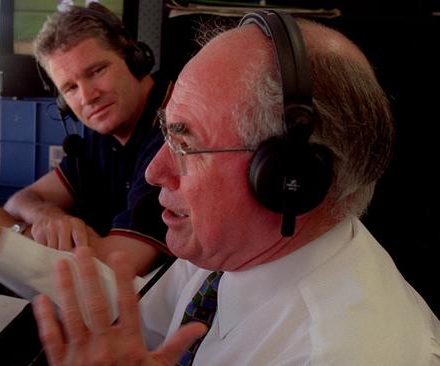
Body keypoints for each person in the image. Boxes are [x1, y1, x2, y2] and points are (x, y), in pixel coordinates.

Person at [29, 11, 440, 365]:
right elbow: (144, 332)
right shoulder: (225, 245)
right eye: (166, 134)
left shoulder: (332, 353)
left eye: (186, 144)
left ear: (286, 178)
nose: (154, 172)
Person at [0, 3, 173, 276]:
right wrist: (47, 216)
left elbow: (119, 267)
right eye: (71, 88)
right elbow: (22, 200)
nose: (87, 97)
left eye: (97, 71)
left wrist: (3, 236)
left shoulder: (173, 130)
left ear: (133, 58)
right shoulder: (105, 134)